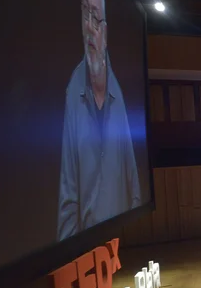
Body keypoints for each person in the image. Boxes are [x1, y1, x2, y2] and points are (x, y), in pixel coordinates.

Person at [58, 0, 142, 241]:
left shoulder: (121, 87)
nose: (89, 28)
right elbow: (68, 190)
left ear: (107, 29)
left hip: (122, 234)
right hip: (88, 244)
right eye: (85, 16)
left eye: (96, 18)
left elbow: (133, 178)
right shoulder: (74, 89)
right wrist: (68, 254)